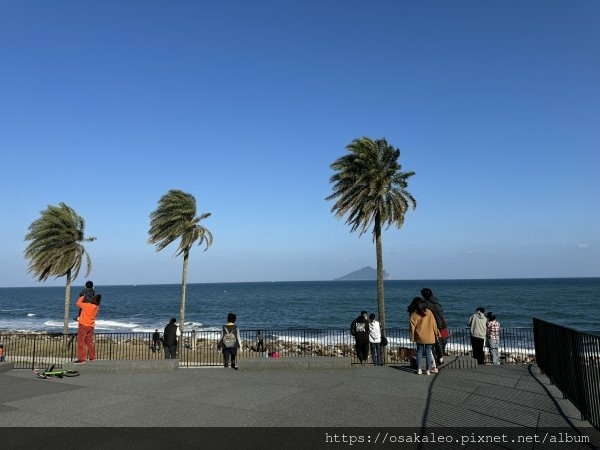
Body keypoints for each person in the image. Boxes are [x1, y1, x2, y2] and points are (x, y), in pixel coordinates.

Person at [409, 298, 440, 375]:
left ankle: (419, 369)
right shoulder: (429, 312)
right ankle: (428, 370)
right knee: (428, 352)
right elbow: (434, 324)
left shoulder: (414, 314)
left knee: (419, 352)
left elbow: (412, 327)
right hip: (430, 336)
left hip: (419, 336)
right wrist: (437, 333)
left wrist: (412, 337)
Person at [420, 288, 446, 365]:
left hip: (431, 324)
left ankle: (434, 363)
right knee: (436, 342)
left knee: (430, 345)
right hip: (440, 325)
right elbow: (441, 314)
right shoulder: (436, 302)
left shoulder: (426, 304)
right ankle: (440, 358)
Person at [75, 293, 101, 363]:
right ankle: (92, 357)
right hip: (91, 326)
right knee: (89, 342)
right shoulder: (96, 307)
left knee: (81, 342)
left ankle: (82, 359)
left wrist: (83, 296)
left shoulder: (87, 305)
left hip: (83, 325)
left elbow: (77, 303)